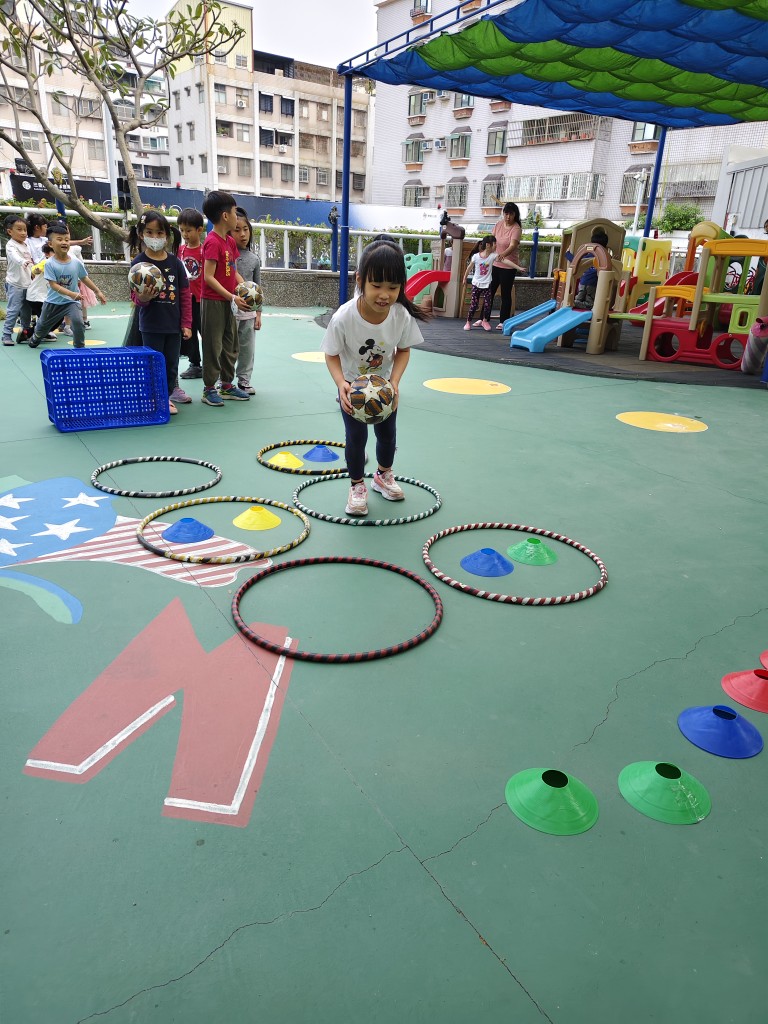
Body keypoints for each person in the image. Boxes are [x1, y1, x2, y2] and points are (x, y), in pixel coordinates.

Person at [321, 242, 428, 516]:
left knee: (388, 436)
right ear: (360, 280)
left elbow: (403, 350)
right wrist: (340, 383)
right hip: (353, 390)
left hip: (384, 391)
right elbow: (331, 354)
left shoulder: (400, 315)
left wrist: (395, 382)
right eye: (377, 285)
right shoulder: (344, 317)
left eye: (393, 287)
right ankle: (357, 485)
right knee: (356, 438)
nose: (384, 294)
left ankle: (383, 475)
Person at [127, 210, 191, 416]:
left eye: (159, 233)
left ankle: (169, 392)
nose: (154, 237)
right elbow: (135, 297)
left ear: (167, 235)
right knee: (153, 362)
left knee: (172, 362)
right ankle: (157, 396)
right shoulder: (138, 264)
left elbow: (184, 294)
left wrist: (186, 323)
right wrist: (143, 298)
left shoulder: (175, 263)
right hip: (151, 325)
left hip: (173, 325)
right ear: (141, 234)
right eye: (149, 232)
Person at [200, 190, 251, 406]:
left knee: (231, 344)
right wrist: (232, 296)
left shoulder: (229, 241)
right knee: (213, 346)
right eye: (234, 211)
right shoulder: (212, 242)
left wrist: (247, 288)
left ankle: (227, 385)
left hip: (229, 302)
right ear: (225, 216)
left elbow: (233, 270)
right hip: (213, 302)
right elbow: (208, 277)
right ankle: (209, 389)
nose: (236, 216)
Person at [28, 222, 105, 350]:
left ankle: (79, 348)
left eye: (67, 240)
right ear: (50, 244)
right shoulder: (49, 264)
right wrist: (72, 293)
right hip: (53, 303)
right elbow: (53, 285)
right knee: (42, 326)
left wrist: (97, 291)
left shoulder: (76, 262)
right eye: (59, 239)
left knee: (78, 322)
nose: (64, 242)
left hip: (71, 302)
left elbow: (84, 278)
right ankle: (36, 337)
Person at [232, 208, 262, 396]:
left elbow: (258, 287)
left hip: (249, 313)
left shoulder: (254, 259)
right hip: (230, 309)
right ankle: (224, 380)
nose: (242, 234)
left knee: (247, 348)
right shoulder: (227, 255)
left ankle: (244, 380)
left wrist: (258, 313)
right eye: (237, 230)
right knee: (228, 348)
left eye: (245, 229)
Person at [178, 207, 205, 381]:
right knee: (189, 332)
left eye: (188, 230)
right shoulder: (180, 250)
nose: (185, 234)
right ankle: (195, 363)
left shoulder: (204, 251)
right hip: (187, 300)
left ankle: (212, 364)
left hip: (203, 300)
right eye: (182, 230)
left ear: (199, 230)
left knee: (206, 333)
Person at [489, 202, 524, 330]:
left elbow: (513, 245)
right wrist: (487, 253)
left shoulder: (516, 228)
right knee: (489, 291)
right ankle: (484, 318)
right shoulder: (498, 225)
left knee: (505, 293)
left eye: (511, 214)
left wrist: (502, 255)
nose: (508, 217)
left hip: (509, 266)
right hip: (495, 264)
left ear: (515, 215)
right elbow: (492, 240)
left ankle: (503, 321)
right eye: (506, 213)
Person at [2, 214, 33, 346]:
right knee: (13, 310)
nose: (23, 233)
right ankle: (6, 335)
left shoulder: (26, 245)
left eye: (25, 230)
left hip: (28, 284)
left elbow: (31, 262)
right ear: (10, 231)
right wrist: (22, 261)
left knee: (27, 311)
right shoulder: (11, 245)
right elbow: (14, 257)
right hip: (15, 284)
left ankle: (25, 333)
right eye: (19, 229)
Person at [463, 235, 497, 331]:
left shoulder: (493, 256)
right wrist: (464, 278)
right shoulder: (476, 256)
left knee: (487, 304)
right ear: (488, 245)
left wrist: (518, 267)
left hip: (487, 284)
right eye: (494, 244)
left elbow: (505, 261)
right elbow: (469, 267)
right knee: (474, 304)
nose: (496, 246)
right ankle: (468, 322)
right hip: (476, 284)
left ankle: (484, 321)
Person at [570, 227, 609, 309]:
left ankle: (574, 302)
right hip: (592, 284)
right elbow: (610, 265)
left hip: (582, 282)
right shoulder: (604, 257)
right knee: (590, 303)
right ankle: (576, 303)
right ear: (605, 246)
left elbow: (575, 260)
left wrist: (567, 254)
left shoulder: (587, 255)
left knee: (579, 297)